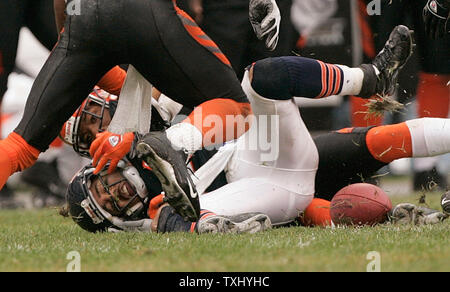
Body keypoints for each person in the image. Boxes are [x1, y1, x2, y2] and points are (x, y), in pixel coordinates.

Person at [64, 25, 447, 234]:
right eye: (112, 201)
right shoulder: (142, 216)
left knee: (265, 78)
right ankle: (397, 217)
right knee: (190, 215)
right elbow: (169, 221)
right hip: (265, 193)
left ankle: (370, 77)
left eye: (105, 185)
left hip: (257, 150)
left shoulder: (139, 124)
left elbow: (222, 103)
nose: (118, 190)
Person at [0, 0, 282, 222]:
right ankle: (170, 143)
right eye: (88, 136)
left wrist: (69, 40)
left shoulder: (123, 89)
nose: (95, 129)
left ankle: (168, 142)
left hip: (84, 19)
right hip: (146, 14)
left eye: (89, 121)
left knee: (18, 147)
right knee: (238, 110)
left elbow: (63, 7)